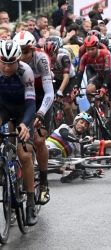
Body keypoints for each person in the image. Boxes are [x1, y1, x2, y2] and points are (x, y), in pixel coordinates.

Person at [14, 31, 54, 205]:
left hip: (41, 99)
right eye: (20, 52)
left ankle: (44, 184)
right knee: (15, 137)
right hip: (23, 98)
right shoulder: (12, 62)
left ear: (33, 50)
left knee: (38, 140)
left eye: (26, 52)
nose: (22, 57)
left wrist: (41, 112)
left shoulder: (41, 59)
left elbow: (49, 92)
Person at [0, 40, 38, 225]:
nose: (7, 67)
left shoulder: (25, 71)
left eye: (11, 63)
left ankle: (30, 203)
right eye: (3, 62)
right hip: (4, 109)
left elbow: (31, 104)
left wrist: (24, 124)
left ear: (18, 60)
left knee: (24, 155)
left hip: (24, 110)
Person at [75, 35, 111, 139]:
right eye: (88, 49)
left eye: (93, 49)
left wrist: (104, 88)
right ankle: (96, 108)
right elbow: (80, 73)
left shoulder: (105, 54)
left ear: (97, 47)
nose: (91, 52)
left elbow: (107, 72)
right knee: (89, 89)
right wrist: (75, 88)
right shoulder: (85, 57)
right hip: (101, 76)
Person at [46, 112, 98, 183]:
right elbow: (64, 135)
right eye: (81, 122)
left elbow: (79, 164)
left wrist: (93, 172)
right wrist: (79, 140)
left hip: (56, 161)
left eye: (86, 125)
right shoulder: (65, 127)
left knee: (71, 168)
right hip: (45, 148)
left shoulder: (78, 146)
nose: (83, 126)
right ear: (75, 122)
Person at [44, 40, 76, 125]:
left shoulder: (63, 57)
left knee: (67, 107)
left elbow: (66, 78)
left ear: (57, 52)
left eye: (51, 55)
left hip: (70, 79)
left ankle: (73, 130)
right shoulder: (44, 60)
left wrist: (60, 91)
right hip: (57, 79)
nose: (49, 58)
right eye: (47, 55)